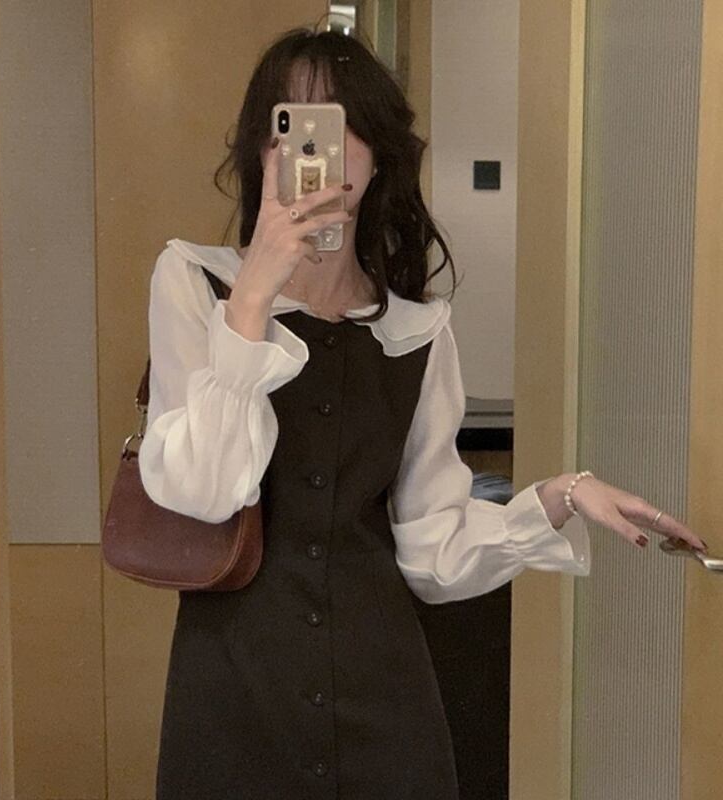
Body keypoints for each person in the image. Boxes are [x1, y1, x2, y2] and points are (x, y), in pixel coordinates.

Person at [137, 25, 707, 800]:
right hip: (234, 693)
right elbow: (203, 491)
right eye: (290, 125)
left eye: (340, 125)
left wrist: (561, 496)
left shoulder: (415, 332)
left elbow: (432, 551)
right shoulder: (192, 283)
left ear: (375, 156)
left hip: (384, 695)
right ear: (261, 151)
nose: (316, 153)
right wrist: (253, 299)